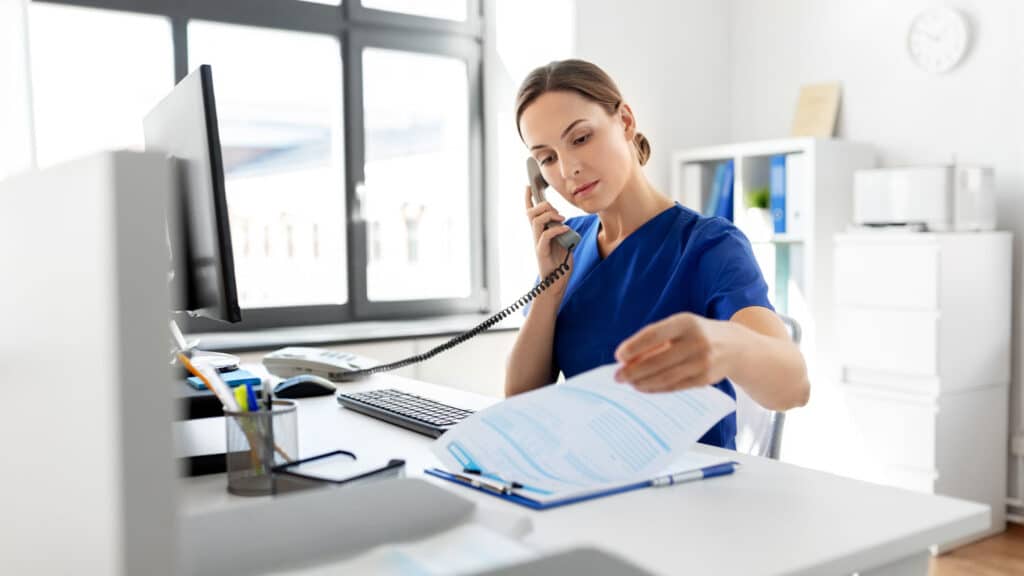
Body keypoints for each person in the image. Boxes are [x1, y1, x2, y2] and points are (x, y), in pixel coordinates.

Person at [504, 59, 809, 449]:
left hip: (689, 491)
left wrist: (727, 346)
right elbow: (521, 405)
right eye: (547, 158)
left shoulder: (708, 246)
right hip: (595, 479)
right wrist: (549, 290)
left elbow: (793, 387)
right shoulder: (566, 247)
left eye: (580, 138)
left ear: (626, 122)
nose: (568, 170)